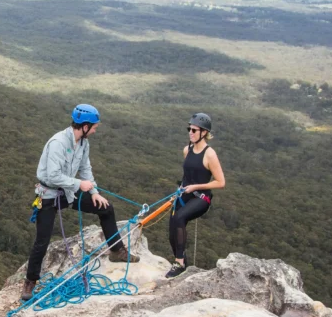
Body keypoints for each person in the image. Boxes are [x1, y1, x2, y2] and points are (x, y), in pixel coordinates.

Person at [23, 104, 139, 301]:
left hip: (68, 192)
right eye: (93, 127)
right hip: (50, 195)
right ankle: (30, 281)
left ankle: (116, 250)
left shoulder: (83, 143)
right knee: (42, 240)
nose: (94, 130)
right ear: (84, 126)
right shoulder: (58, 142)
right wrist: (80, 184)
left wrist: (94, 192)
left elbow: (86, 168)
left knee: (106, 208)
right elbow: (53, 176)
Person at [165, 113, 226, 279]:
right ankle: (182, 259)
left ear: (203, 132)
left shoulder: (209, 154)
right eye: (189, 129)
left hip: (201, 197)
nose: (190, 132)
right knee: (172, 225)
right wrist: (179, 191)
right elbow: (187, 176)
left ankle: (179, 263)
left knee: (179, 218)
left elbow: (220, 182)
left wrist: (196, 187)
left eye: (194, 130)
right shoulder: (187, 150)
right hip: (185, 192)